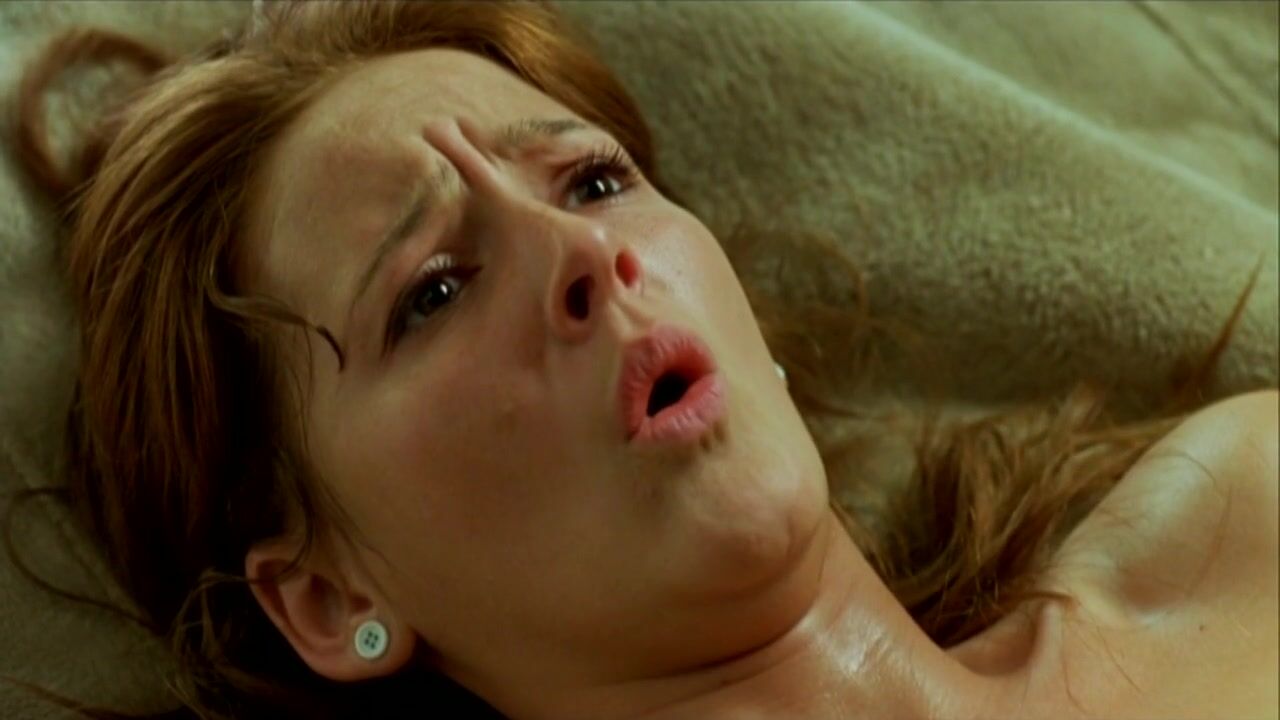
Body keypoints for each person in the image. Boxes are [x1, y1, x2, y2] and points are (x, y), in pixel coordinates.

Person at [8, 1, 1276, 718]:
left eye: (594, 181)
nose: (582, 253)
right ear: (331, 600)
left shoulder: (1245, 519)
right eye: (432, 293)